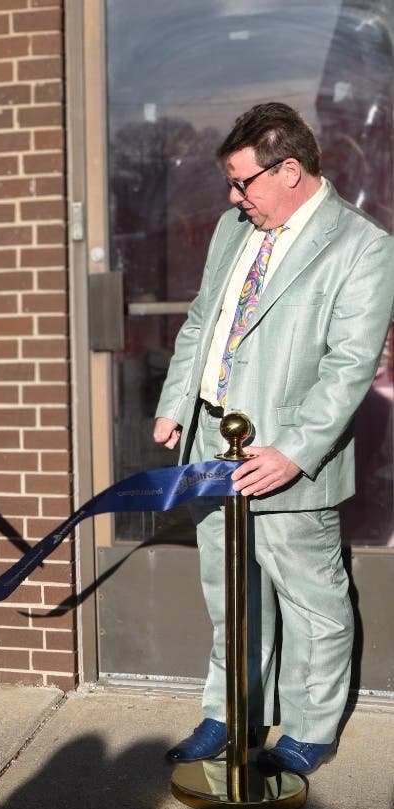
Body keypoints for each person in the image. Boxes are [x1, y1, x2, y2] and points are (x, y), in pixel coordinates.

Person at [154, 103, 394, 775]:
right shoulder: (234, 230)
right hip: (211, 444)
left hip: (287, 459)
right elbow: (204, 320)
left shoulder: (363, 246)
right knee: (228, 591)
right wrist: (176, 404)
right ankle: (229, 710)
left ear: (289, 170)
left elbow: (348, 368)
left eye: (242, 183)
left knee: (310, 596)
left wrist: (292, 449)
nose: (233, 198)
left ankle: (311, 727)